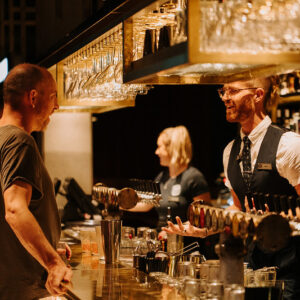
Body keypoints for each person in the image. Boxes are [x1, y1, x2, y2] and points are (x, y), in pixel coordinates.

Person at [163, 77, 300, 300]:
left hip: (290, 268)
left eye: (233, 91)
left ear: (257, 95)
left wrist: (275, 221)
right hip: (251, 266)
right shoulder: (230, 151)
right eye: (223, 91)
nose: (225, 98)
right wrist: (206, 228)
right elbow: (239, 209)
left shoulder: (289, 145)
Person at [0, 63, 72, 300]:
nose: (57, 106)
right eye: (53, 97)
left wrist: (46, 247)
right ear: (33, 97)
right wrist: (52, 263)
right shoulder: (20, 141)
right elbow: (14, 209)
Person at [125, 125, 211, 235]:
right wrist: (119, 203)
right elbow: (146, 205)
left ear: (172, 148)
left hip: (186, 245)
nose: (156, 152)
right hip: (163, 241)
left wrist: (175, 230)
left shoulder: (194, 177)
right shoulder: (162, 177)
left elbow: (205, 219)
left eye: (160, 147)